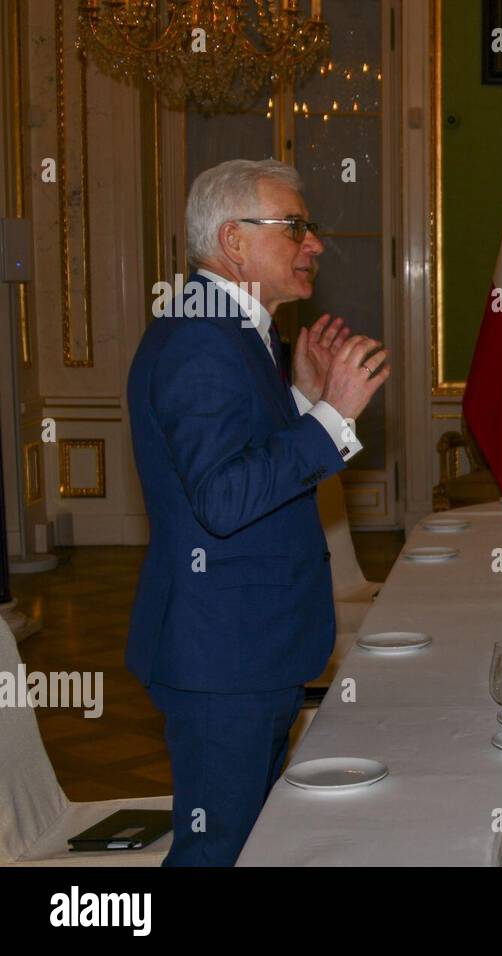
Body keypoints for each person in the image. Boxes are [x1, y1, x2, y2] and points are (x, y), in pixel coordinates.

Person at [126, 159, 391, 865]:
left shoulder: (239, 330)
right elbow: (221, 500)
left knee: (255, 845)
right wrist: (332, 415)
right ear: (234, 241)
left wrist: (301, 402)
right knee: (219, 852)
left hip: (249, 643)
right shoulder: (200, 340)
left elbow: (243, 464)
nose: (315, 244)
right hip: (224, 654)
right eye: (295, 227)